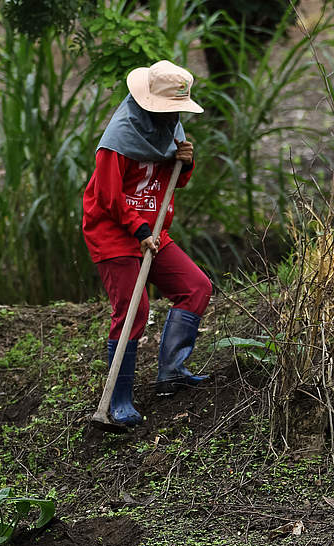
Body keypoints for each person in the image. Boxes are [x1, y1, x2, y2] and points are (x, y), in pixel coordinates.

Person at [82, 60, 213, 427]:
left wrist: (185, 165)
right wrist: (138, 231)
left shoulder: (171, 127)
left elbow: (170, 180)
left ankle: (171, 371)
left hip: (152, 228)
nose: (173, 116)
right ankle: (118, 399)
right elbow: (107, 196)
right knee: (133, 309)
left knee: (196, 287)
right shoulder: (118, 138)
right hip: (114, 230)